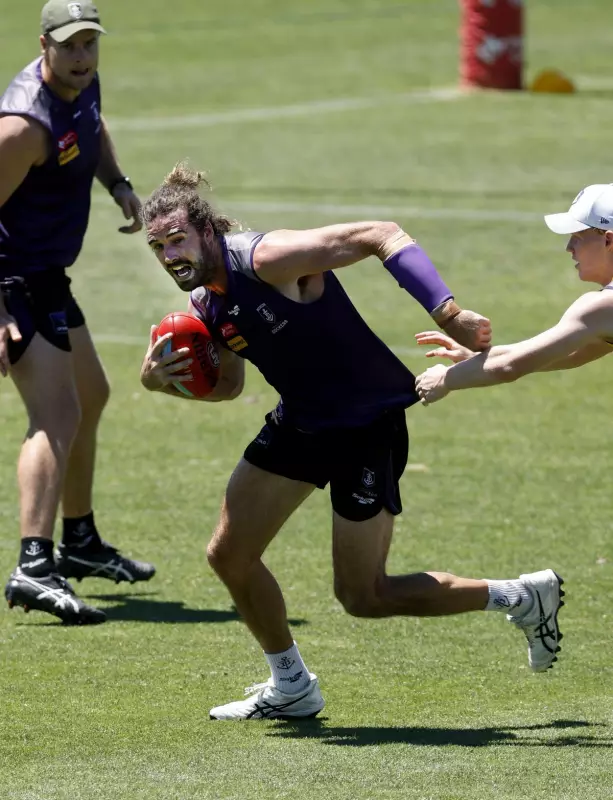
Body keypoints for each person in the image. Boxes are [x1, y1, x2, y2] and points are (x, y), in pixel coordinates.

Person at [139, 162, 564, 720]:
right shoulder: (206, 305)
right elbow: (226, 387)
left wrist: (451, 313)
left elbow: (380, 234)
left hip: (368, 426)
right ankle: (291, 685)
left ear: (207, 232)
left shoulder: (266, 259)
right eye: (159, 247)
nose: (171, 255)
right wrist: (159, 382)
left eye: (178, 240)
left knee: (365, 597)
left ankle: (520, 596)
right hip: (303, 424)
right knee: (230, 555)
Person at [1, 0, 155, 626]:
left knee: (91, 394)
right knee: (56, 414)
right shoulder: (22, 127)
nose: (83, 56)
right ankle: (34, 566)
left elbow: (93, 127)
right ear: (45, 45)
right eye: (69, 46)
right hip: (15, 281)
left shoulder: (81, 83)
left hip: (48, 277)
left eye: (90, 44)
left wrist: (117, 182)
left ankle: (81, 542)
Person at [414, 184, 613, 404]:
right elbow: (574, 352)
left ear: (608, 240)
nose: (569, 246)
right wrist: (478, 360)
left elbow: (510, 366)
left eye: (577, 235)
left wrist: (445, 379)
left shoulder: (602, 306)